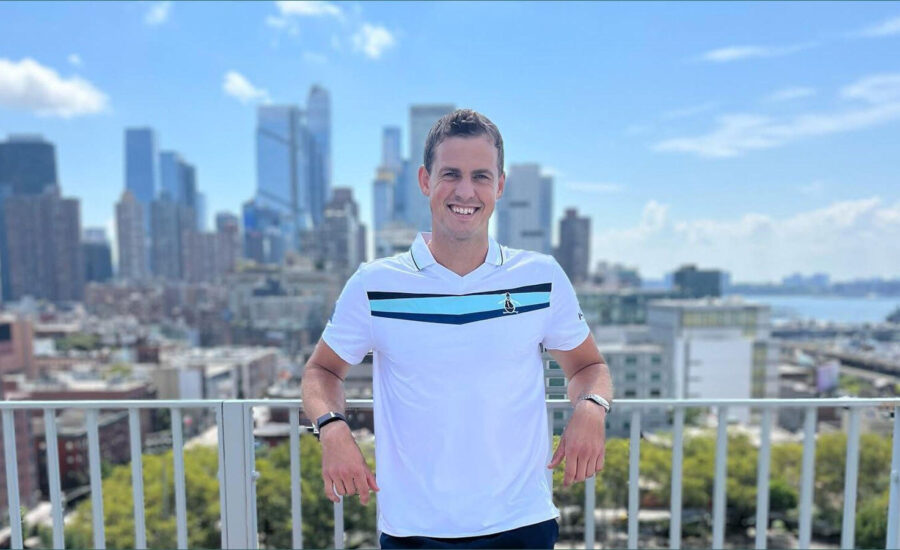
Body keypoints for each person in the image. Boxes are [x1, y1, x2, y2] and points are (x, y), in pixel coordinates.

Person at [300, 109, 613, 549]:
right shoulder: (374, 284)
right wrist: (331, 429)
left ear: (500, 186)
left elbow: (589, 366)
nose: (466, 191)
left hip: (523, 523)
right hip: (414, 531)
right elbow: (321, 372)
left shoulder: (542, 277)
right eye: (451, 174)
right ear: (426, 181)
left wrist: (591, 408)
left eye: (481, 176)